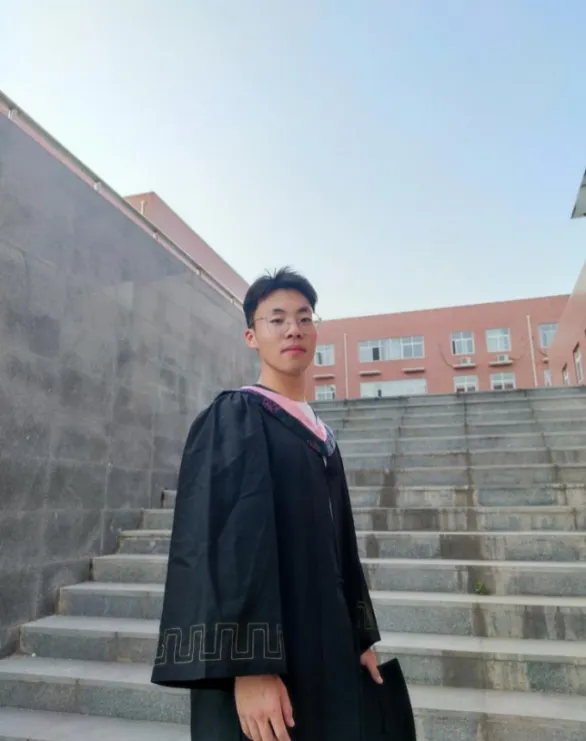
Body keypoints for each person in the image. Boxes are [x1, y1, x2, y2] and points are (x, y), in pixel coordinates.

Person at [151, 268, 384, 741]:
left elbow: (341, 546)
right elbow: (222, 545)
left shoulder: (320, 434)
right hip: (266, 659)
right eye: (277, 320)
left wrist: (358, 638)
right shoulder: (236, 415)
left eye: (304, 318)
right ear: (251, 336)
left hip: (327, 647)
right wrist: (249, 666)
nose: (293, 329)